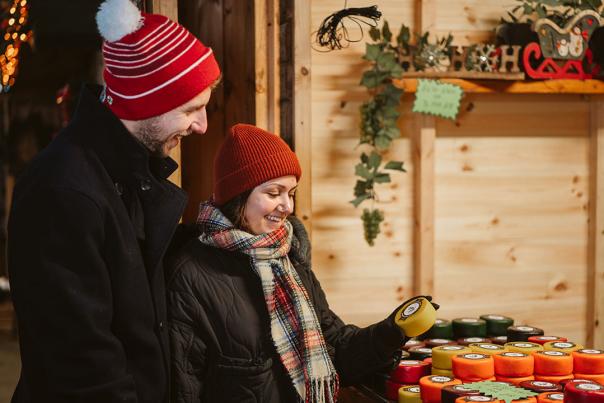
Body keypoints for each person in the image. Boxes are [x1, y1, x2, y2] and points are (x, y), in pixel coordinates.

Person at [7, 0, 221, 401]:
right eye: (192, 108)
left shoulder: (128, 173)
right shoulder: (63, 189)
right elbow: (81, 362)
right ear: (145, 103)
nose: (202, 125)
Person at [167, 124, 438, 403]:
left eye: (291, 193)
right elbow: (185, 388)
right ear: (238, 195)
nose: (288, 206)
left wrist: (392, 331)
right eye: (274, 193)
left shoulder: (290, 258)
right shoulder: (190, 273)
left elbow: (336, 350)